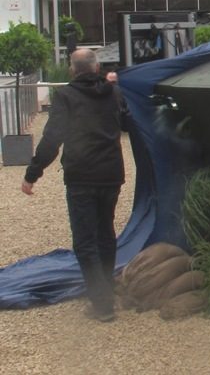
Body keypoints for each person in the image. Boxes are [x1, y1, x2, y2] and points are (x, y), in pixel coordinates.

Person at [21, 49, 129, 322]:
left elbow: (52, 139)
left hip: (82, 176)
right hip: (111, 174)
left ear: (72, 69)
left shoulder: (66, 96)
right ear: (96, 68)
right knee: (105, 233)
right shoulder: (114, 92)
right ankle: (106, 286)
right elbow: (127, 120)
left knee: (85, 241)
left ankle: (102, 305)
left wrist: (32, 173)